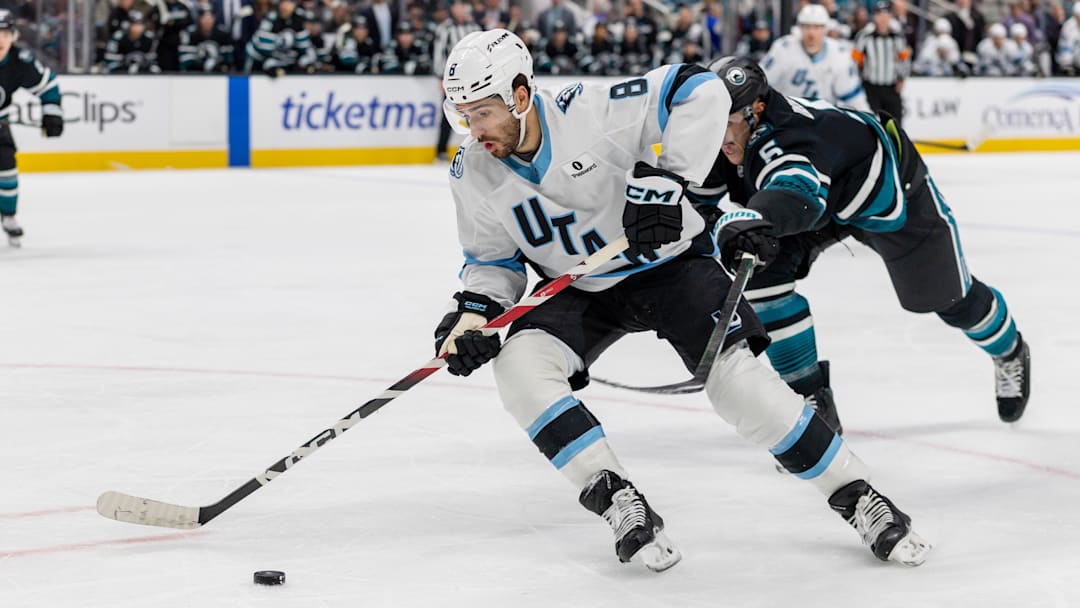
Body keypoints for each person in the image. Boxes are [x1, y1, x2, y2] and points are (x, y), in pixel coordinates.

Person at [436, 28, 930, 571]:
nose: (472, 129)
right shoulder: (471, 171)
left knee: (739, 385)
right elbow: (492, 261)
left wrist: (669, 181)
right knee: (520, 369)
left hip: (671, 266)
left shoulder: (592, 111)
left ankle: (857, 495)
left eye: (482, 112)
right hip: (584, 286)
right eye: (462, 114)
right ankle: (618, 498)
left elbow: (701, 88)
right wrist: (473, 315)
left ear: (521, 96)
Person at [688, 56, 1030, 434]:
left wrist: (754, 219)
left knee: (949, 299)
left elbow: (797, 191)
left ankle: (1010, 350)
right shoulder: (724, 132)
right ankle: (813, 399)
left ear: (758, 109)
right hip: (813, 204)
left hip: (882, 193)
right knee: (763, 280)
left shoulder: (788, 140)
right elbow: (698, 199)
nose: (721, 136)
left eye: (730, 121)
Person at [0, 9, 62, 247]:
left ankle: (8, 216)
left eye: (5, 34)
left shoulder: (20, 60)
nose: (0, 40)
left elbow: (48, 86)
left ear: (14, 36)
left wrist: (52, 114)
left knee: (7, 170)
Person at [760, 4, 870, 111]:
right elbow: (760, 85)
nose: (811, 34)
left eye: (817, 27)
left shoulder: (839, 53)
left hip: (823, 121)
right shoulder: (783, 48)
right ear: (800, 28)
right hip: (786, 118)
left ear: (825, 29)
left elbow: (854, 99)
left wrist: (872, 123)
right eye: (807, 27)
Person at [854, 0, 910, 127]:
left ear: (890, 16)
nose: (883, 18)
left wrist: (902, 78)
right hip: (871, 88)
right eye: (879, 14)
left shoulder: (897, 37)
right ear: (874, 17)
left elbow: (904, 59)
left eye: (886, 14)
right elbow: (855, 60)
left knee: (895, 125)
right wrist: (858, 80)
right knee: (871, 125)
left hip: (891, 87)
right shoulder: (864, 36)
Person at [179, 6, 235, 72]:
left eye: (210, 18)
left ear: (214, 19)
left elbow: (228, 59)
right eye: (205, 18)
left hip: (218, 73)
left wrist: (218, 66)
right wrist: (203, 65)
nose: (207, 21)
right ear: (200, 19)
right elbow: (185, 60)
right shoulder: (191, 33)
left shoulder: (223, 34)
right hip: (195, 74)